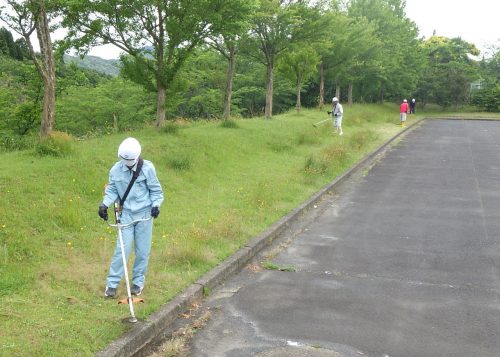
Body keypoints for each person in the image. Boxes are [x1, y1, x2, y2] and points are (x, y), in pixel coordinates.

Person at [98, 137, 164, 298]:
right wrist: (104, 204)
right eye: (124, 159)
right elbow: (112, 189)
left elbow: (156, 191)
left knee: (142, 251)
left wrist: (156, 205)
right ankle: (112, 285)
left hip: (144, 215)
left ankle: (137, 283)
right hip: (125, 214)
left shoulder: (147, 168)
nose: (127, 162)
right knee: (122, 250)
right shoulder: (115, 170)